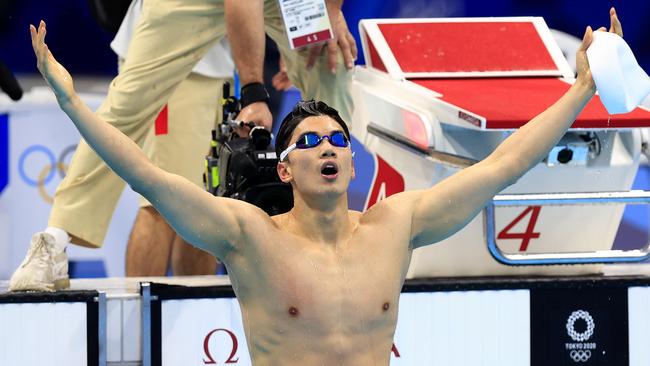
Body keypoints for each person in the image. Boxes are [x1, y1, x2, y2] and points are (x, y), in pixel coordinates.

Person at [23, 8, 622, 363]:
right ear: (283, 170)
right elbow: (144, 171)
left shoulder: (396, 225)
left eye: (336, 139)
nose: (328, 148)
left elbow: (503, 164)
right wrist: (73, 101)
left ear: (353, 164)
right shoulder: (250, 236)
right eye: (308, 143)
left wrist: (581, 91)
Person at [9, 0, 356, 291]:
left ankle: (341, 235)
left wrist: (319, 20)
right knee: (131, 112)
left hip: (247, 30)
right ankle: (54, 241)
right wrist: (253, 91)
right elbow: (241, 3)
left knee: (331, 60)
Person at [112, 0, 233, 276]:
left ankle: (195, 317)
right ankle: (138, 317)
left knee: (203, 209)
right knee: (161, 202)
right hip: (170, 60)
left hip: (213, 63)